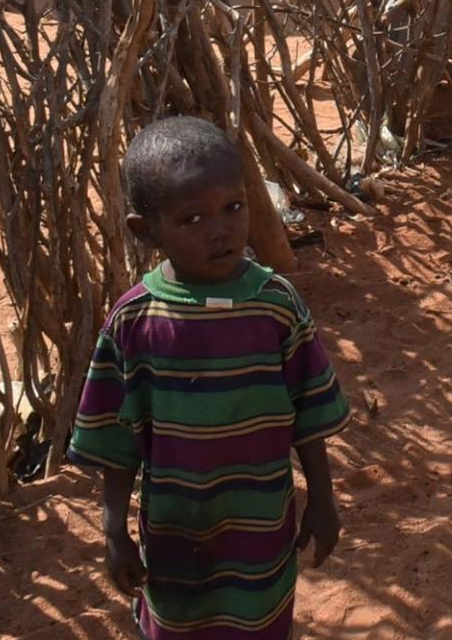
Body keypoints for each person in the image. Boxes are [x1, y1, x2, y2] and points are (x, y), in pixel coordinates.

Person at [69, 116, 351, 640]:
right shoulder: (136, 322)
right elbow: (115, 440)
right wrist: (113, 531)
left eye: (233, 207)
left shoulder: (275, 307)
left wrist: (323, 500)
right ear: (146, 230)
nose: (220, 228)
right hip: (176, 537)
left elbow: (308, 413)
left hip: (262, 529)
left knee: (261, 625)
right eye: (192, 217)